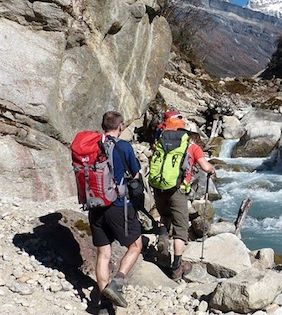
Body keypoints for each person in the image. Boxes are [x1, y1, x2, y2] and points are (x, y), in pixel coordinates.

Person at [149, 111, 215, 280]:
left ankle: (163, 238)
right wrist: (212, 169)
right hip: (177, 190)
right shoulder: (191, 147)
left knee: (164, 216)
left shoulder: (160, 141)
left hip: (158, 187)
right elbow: (205, 167)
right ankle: (177, 267)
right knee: (181, 229)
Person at [89, 111, 143, 312]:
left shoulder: (92, 145)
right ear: (120, 127)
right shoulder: (122, 146)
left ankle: (104, 305)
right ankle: (117, 283)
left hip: (94, 205)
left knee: (103, 253)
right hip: (117, 206)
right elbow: (135, 173)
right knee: (136, 245)